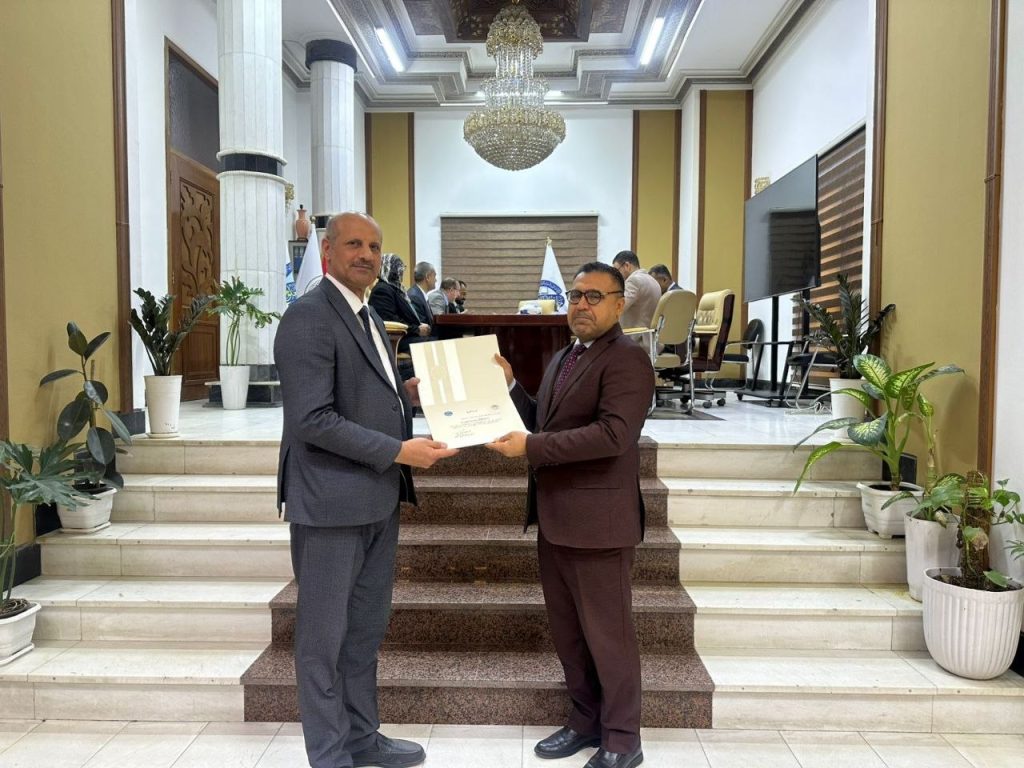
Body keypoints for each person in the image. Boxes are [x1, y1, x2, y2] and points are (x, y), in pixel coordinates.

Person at [274, 212, 458, 768]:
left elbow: (362, 392)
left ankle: (362, 738)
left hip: (376, 498)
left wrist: (409, 394)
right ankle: (330, 755)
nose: (367, 255)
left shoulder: (368, 313)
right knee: (322, 641)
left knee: (363, 633)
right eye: (354, 243)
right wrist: (399, 450)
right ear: (328, 251)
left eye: (375, 246)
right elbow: (312, 419)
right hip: (330, 503)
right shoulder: (309, 316)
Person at [487, 261, 654, 768]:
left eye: (594, 296)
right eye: (576, 295)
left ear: (619, 305)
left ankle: (622, 739)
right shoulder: (565, 356)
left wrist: (532, 447)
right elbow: (542, 422)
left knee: (609, 638)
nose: (582, 304)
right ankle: (585, 721)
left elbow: (613, 436)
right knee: (570, 635)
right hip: (556, 519)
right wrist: (512, 388)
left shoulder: (628, 360)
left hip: (600, 524)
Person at [368, 253, 431, 354]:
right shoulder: (382, 290)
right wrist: (417, 329)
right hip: (397, 340)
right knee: (435, 345)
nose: (401, 273)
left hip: (406, 336)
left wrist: (419, 325)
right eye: (398, 268)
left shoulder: (395, 289)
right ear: (390, 269)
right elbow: (389, 321)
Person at [612, 250, 662, 330]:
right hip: (649, 335)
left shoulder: (633, 281)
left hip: (633, 335)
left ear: (627, 266)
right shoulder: (653, 280)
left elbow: (618, 309)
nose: (616, 276)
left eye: (617, 271)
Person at [407, 261, 436, 327]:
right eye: (434, 276)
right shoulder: (414, 297)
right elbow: (422, 327)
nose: (436, 280)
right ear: (428, 277)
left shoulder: (419, 294)